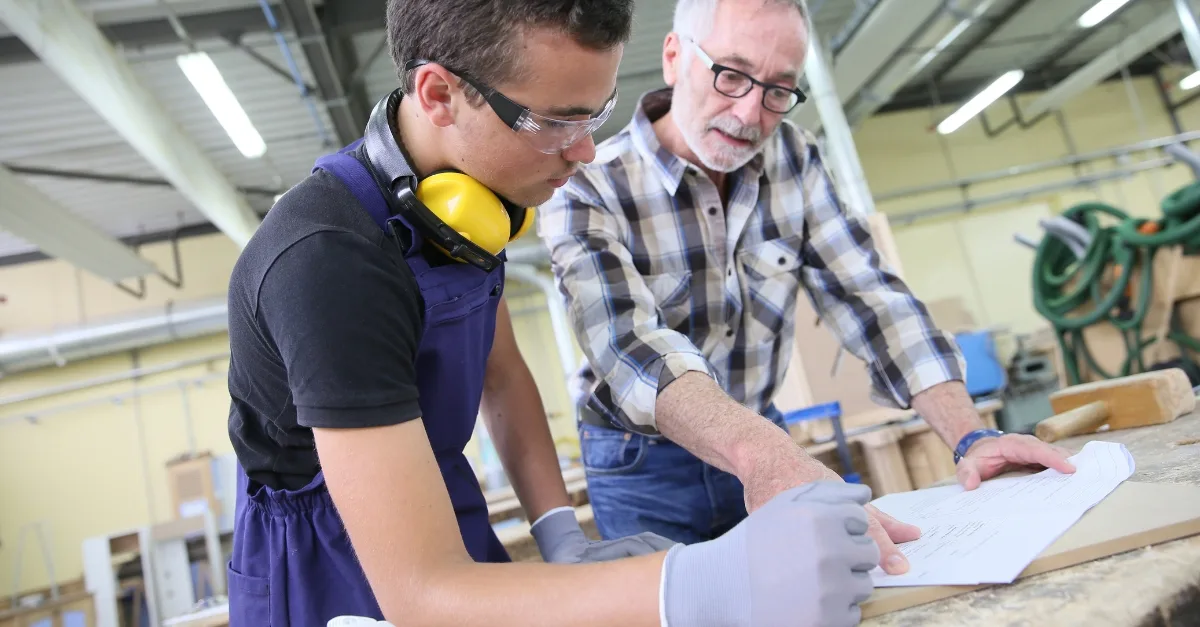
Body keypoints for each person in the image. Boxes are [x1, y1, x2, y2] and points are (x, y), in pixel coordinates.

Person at [224, 0, 883, 625]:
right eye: (557, 121)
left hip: (443, 518)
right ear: (438, 94)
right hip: (332, 565)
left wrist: (561, 532)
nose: (586, 151)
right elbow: (423, 593)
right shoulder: (330, 261)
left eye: (596, 115)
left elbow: (501, 371)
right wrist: (704, 579)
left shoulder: (463, 204)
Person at [537, 0, 1077, 576]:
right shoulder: (585, 184)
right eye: (731, 75)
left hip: (763, 429)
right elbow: (633, 345)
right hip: (640, 463)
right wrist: (765, 455)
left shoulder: (794, 156)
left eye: (778, 89)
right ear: (674, 58)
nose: (750, 113)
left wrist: (971, 436)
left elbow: (871, 298)